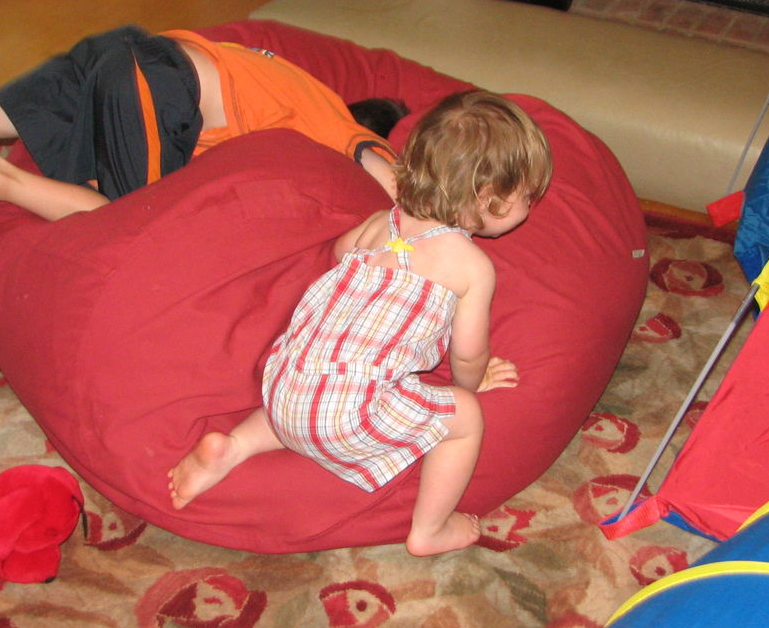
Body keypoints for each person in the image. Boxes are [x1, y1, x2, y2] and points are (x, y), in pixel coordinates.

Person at [167, 90, 553, 557]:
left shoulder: (379, 224)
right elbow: (468, 353)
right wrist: (472, 384)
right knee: (464, 418)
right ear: (489, 199)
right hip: (346, 419)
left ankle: (232, 448)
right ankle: (430, 529)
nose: (532, 205)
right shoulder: (470, 265)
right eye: (526, 196)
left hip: (285, 386)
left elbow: (338, 254)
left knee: (311, 397)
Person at [0, 11, 403, 239]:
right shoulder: (337, 127)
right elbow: (400, 196)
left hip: (131, 53)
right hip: (154, 81)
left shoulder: (274, 86)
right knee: (137, 226)